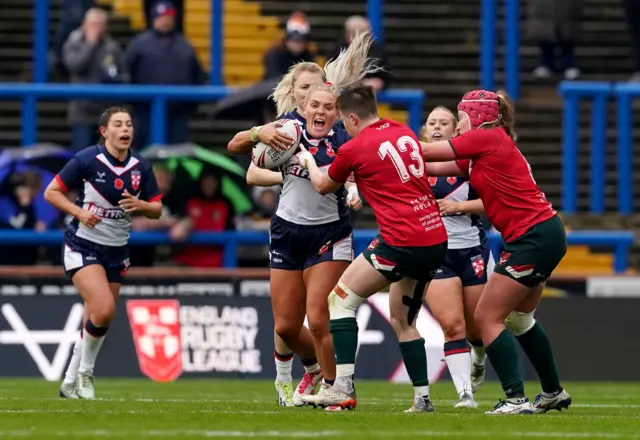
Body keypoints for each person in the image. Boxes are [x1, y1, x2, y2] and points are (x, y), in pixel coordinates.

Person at [228, 31, 376, 408]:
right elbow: (238, 151)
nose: (321, 111)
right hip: (286, 230)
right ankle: (313, 370)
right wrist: (258, 132)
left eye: (328, 106)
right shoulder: (285, 131)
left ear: (336, 109)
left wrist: (354, 187)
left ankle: (338, 387)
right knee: (285, 327)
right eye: (314, 104)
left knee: (319, 316)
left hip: (329, 233)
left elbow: (357, 170)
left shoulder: (343, 138)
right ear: (302, 104)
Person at [420, 90, 571, 415]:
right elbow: (431, 163)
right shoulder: (489, 143)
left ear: (474, 117)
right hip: (543, 233)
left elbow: (426, 150)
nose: (457, 127)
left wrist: (384, 139)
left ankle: (515, 399)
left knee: (487, 317)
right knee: (519, 319)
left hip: (532, 237)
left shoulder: (485, 137)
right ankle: (552, 393)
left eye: (459, 119)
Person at [299, 84, 448, 413]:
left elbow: (324, 185)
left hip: (402, 240)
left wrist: (307, 159)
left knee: (340, 299)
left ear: (351, 117)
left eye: (343, 121)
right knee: (403, 319)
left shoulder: (354, 147)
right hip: (434, 236)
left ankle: (342, 387)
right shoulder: (402, 130)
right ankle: (422, 398)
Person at [44, 107, 162, 399]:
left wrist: (142, 206)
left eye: (129, 124)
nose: (125, 129)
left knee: (98, 317)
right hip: (82, 245)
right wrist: (79, 213)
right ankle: (86, 373)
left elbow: (157, 208)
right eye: (118, 124)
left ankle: (70, 381)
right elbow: (51, 192)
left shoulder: (140, 166)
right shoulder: (86, 159)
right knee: (105, 308)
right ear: (104, 131)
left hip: (117, 250)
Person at [422, 106, 493, 409]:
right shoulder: (415, 166)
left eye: (444, 123)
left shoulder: (472, 163)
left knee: (477, 327)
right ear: (425, 132)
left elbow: (493, 202)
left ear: (455, 132)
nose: (437, 127)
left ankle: (478, 357)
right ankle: (466, 394)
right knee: (452, 325)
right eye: (432, 123)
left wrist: (459, 207)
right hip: (437, 252)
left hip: (472, 248)